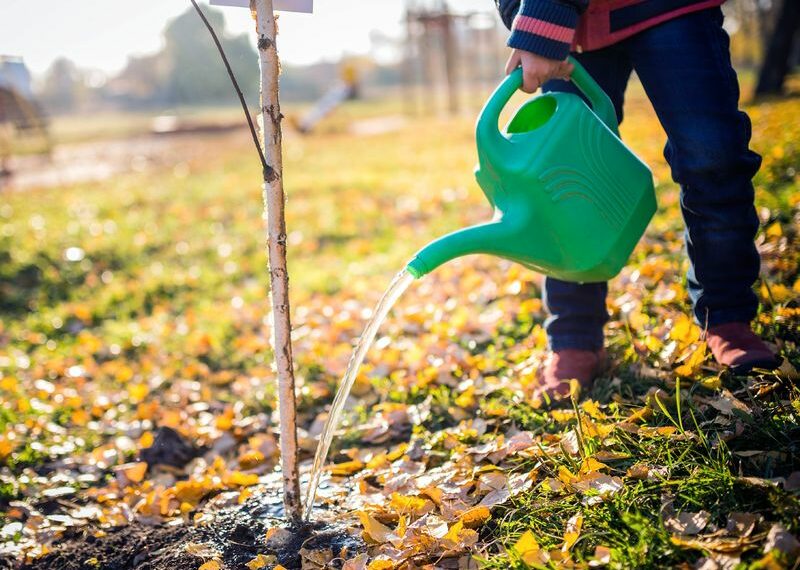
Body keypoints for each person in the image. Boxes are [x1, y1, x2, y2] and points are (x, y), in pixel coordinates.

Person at [493, 0, 781, 397]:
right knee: (564, 183)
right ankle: (575, 337)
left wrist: (543, 18)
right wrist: (524, 16)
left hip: (666, 8)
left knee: (712, 157)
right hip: (574, 30)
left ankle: (728, 317)